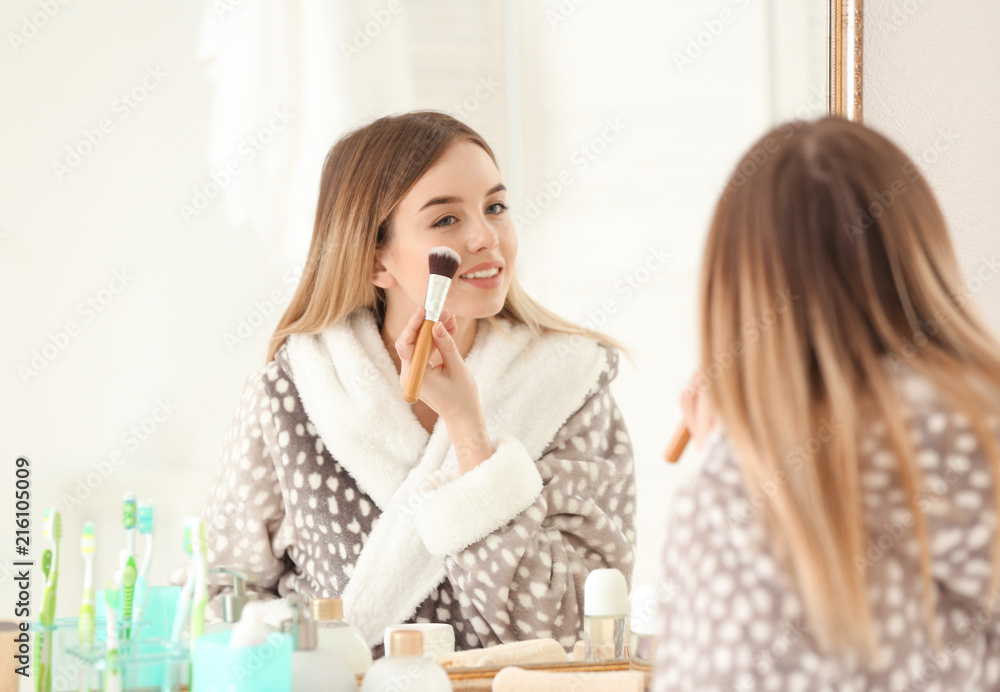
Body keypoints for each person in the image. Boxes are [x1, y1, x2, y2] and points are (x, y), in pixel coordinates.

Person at [199, 111, 636, 653]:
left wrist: (469, 431)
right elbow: (228, 596)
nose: (485, 237)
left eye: (495, 207)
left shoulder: (570, 388)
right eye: (446, 220)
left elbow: (572, 629)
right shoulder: (293, 395)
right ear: (376, 260)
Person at [655, 117, 1000, 690]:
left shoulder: (733, 491)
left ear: (736, 289)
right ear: (918, 255)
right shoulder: (978, 422)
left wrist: (727, 453)